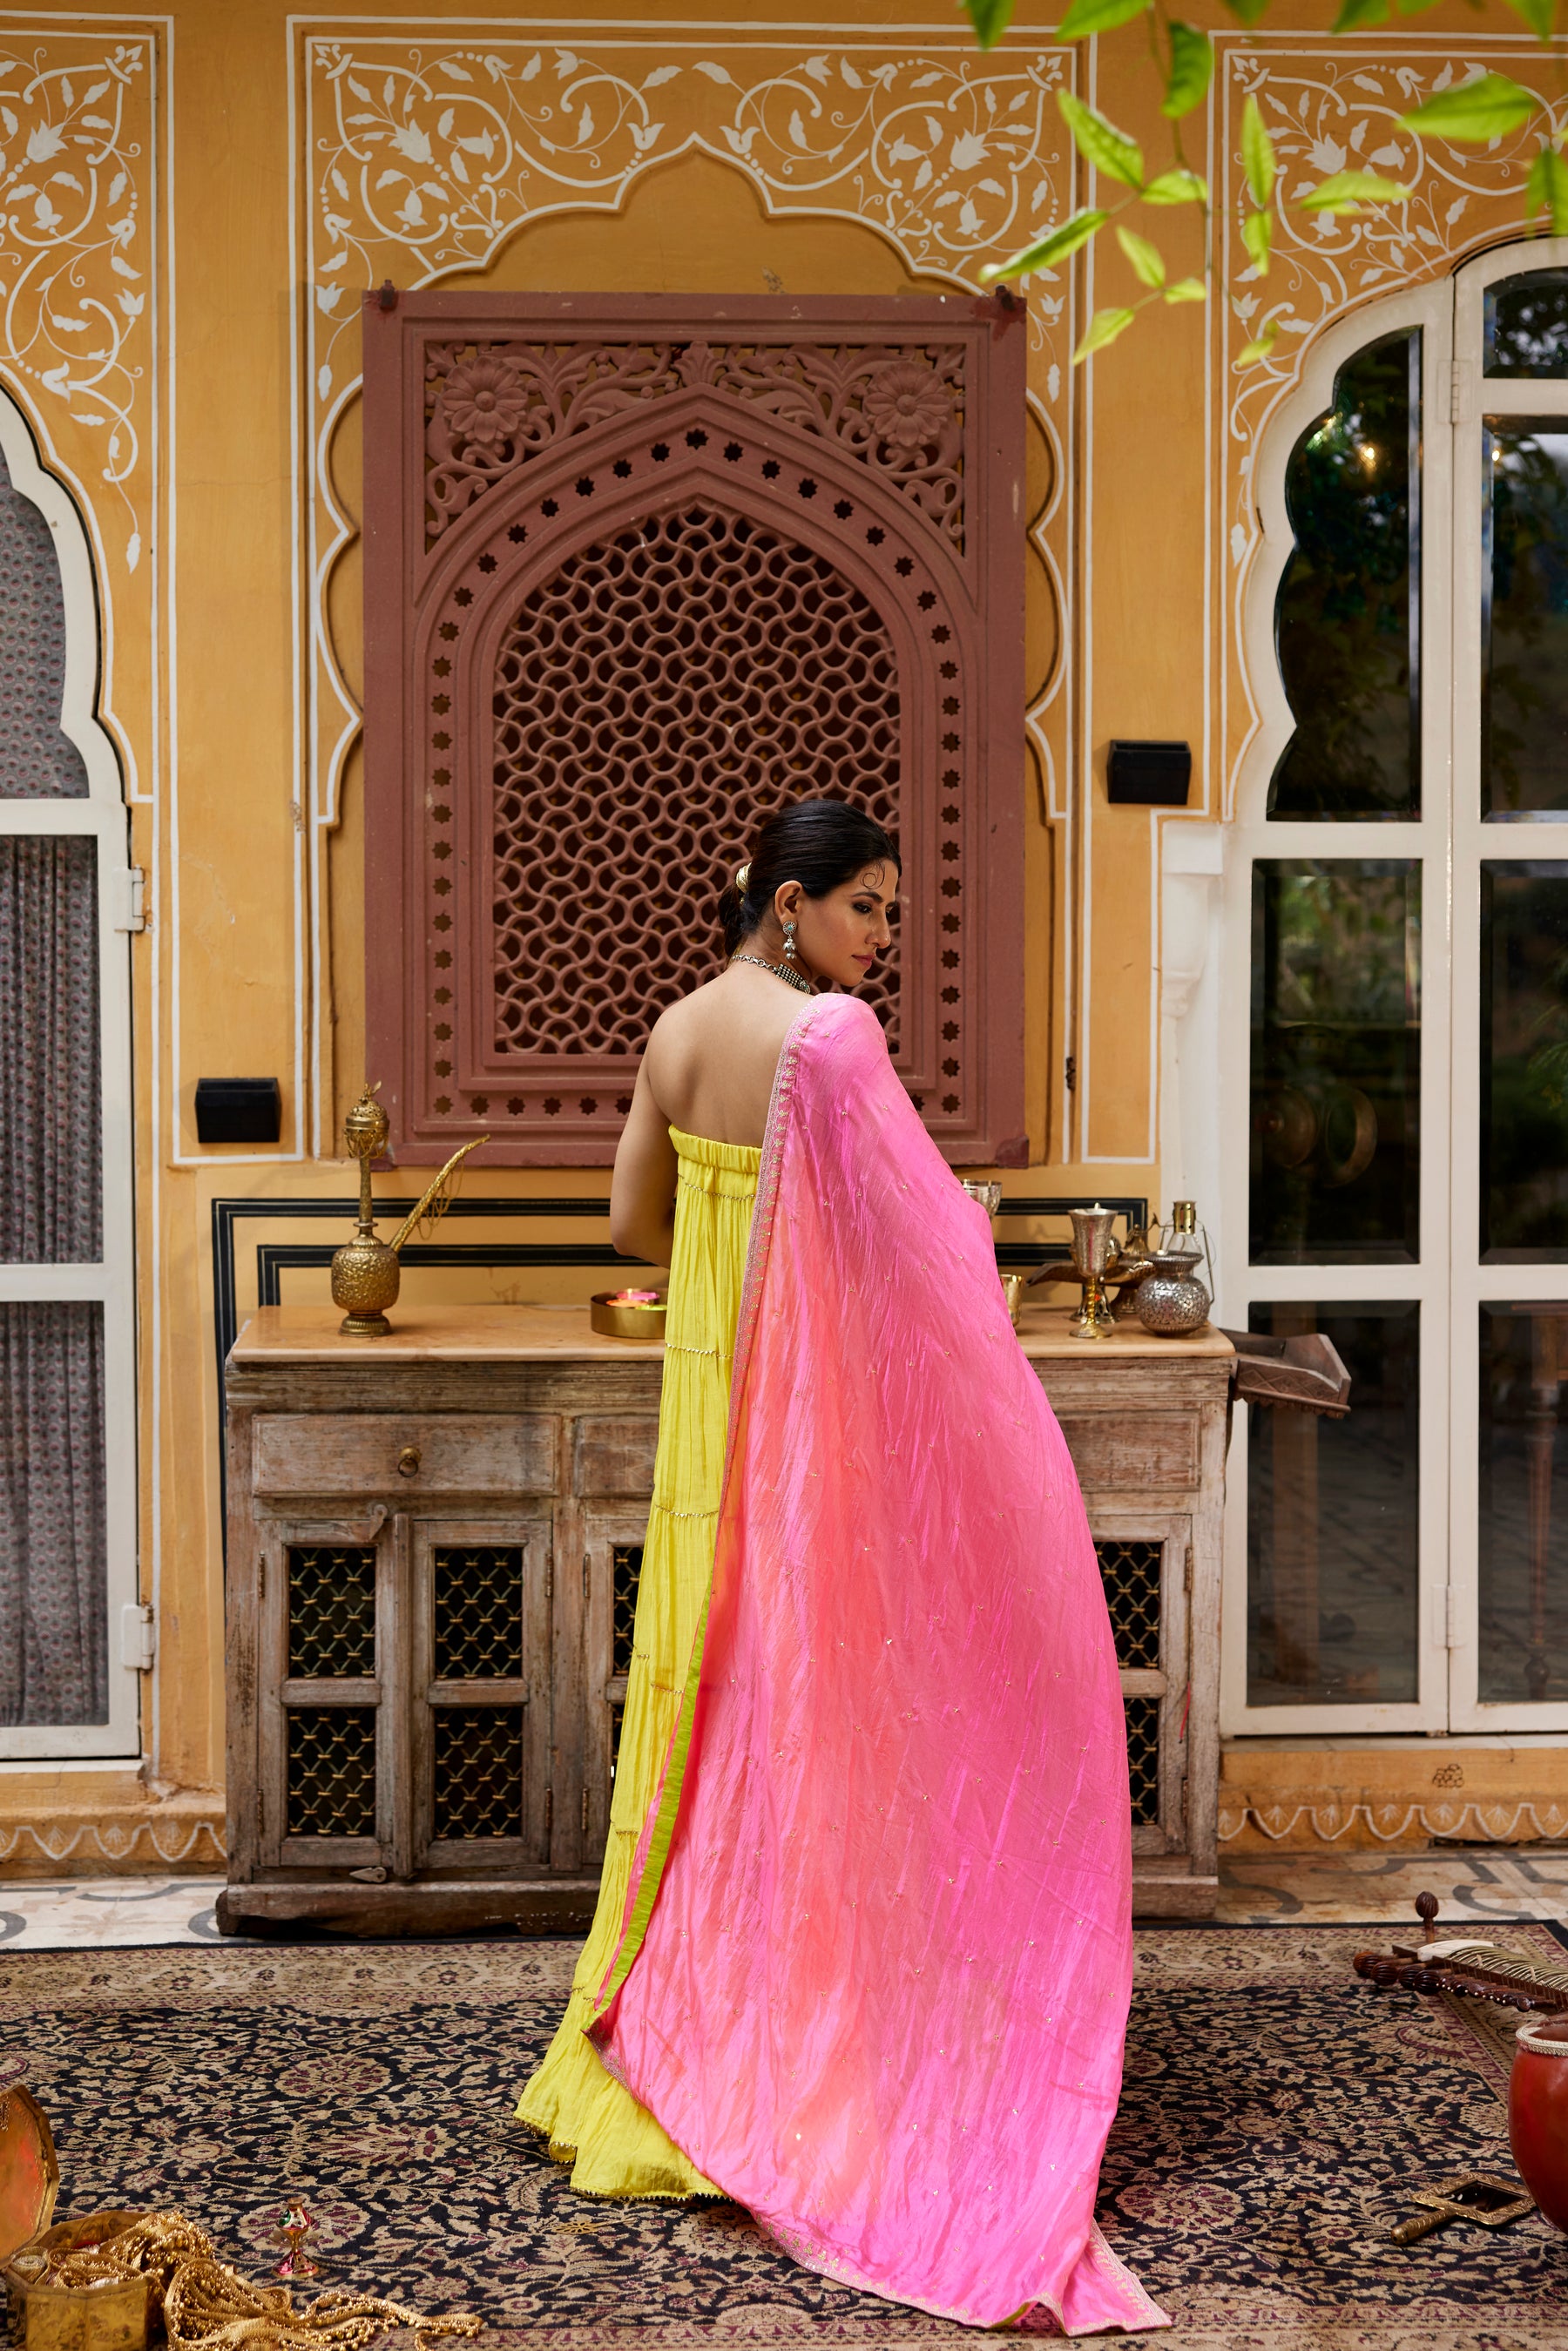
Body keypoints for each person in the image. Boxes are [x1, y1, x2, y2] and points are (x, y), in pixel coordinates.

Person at [517, 797, 1166, 2335]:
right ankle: (848, 2049)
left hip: (710, 1428)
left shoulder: (679, 1031)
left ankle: (711, 2024)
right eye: (868, 911)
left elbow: (630, 1225)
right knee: (853, 1720)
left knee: (724, 1716)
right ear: (792, 904)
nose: (883, 943)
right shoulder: (830, 1047)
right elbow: (926, 1241)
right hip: (821, 1435)